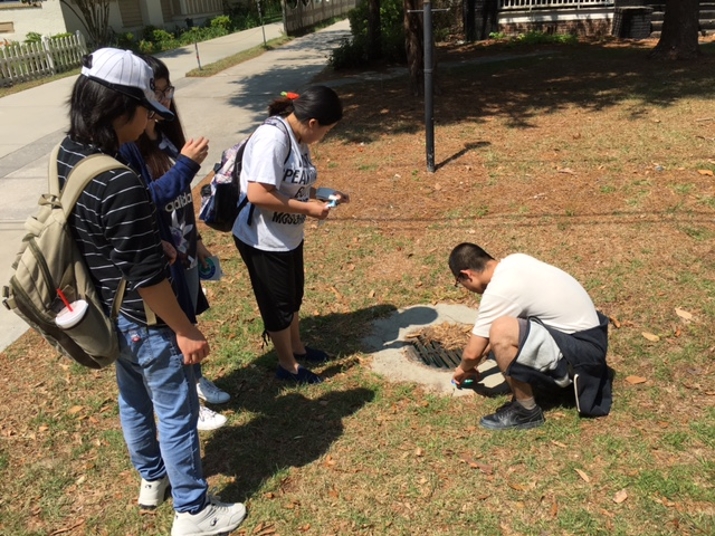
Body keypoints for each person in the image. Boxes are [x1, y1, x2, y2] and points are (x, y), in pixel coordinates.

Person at [59, 47, 246, 535]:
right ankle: (193, 511)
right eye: (145, 108)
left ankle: (152, 479)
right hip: (147, 318)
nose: (150, 119)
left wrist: (151, 237)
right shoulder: (119, 179)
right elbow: (148, 279)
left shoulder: (73, 152)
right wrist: (185, 329)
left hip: (106, 309)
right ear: (117, 107)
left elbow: (103, 229)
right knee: (177, 410)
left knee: (133, 400)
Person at [120, 55, 230, 432]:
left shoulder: (166, 135)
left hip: (182, 247)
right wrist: (185, 166)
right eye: (157, 90)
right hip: (158, 254)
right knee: (174, 329)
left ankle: (197, 381)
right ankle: (189, 400)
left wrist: (196, 243)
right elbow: (144, 200)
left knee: (190, 316)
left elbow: (181, 196)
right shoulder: (129, 148)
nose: (164, 99)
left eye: (168, 90)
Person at [232, 86, 347, 384]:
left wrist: (321, 193)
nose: (324, 136)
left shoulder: (298, 138)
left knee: (293, 294)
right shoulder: (273, 138)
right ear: (312, 123)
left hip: (287, 233)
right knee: (278, 303)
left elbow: (289, 183)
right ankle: (286, 365)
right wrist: (309, 209)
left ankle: (297, 347)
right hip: (263, 238)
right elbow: (258, 193)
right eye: (327, 130)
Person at [449, 243, 612, 430]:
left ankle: (526, 411)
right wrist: (479, 357)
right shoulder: (515, 261)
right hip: (590, 344)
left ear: (466, 275)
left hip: (581, 359)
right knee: (504, 327)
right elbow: (483, 346)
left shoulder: (499, 290)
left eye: (459, 283)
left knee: (501, 329)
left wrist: (463, 368)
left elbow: (471, 353)